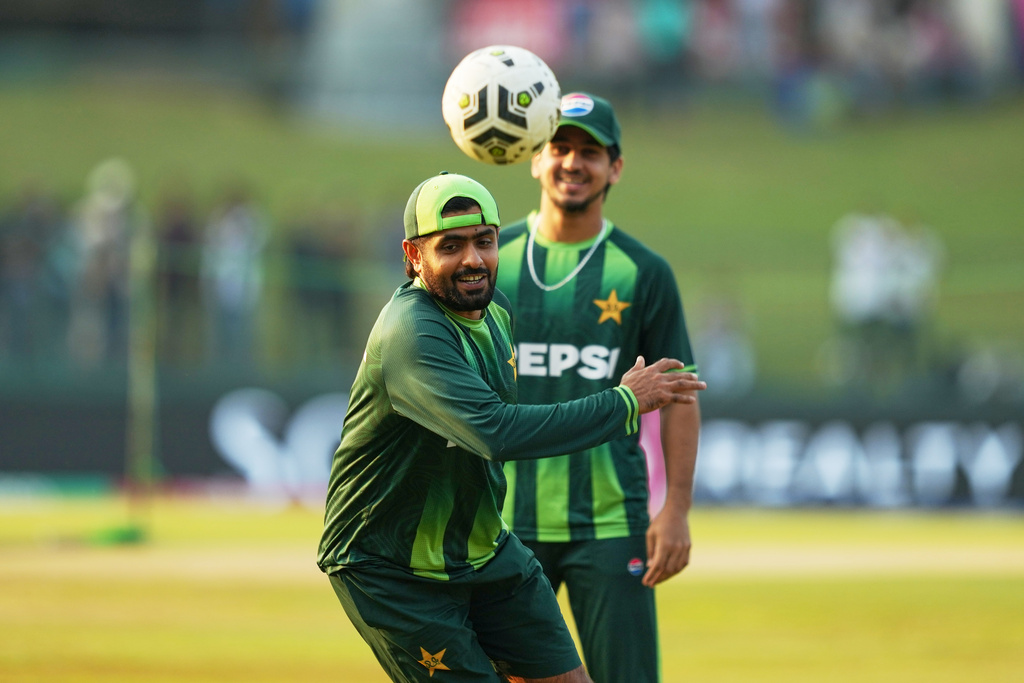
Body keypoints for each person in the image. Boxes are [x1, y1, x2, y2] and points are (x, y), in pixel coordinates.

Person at [316, 172, 705, 683]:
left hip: (482, 549)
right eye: (450, 246)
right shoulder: (412, 333)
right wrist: (623, 403)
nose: (473, 259)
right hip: (390, 565)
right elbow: (495, 433)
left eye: (485, 241)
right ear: (413, 255)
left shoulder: (495, 312)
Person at [494, 92, 700, 683]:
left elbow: (680, 394)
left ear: (616, 168)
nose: (572, 163)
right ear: (536, 158)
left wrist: (677, 509)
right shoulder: (489, 258)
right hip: (499, 520)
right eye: (559, 147)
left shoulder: (642, 272)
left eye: (591, 151)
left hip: (609, 524)